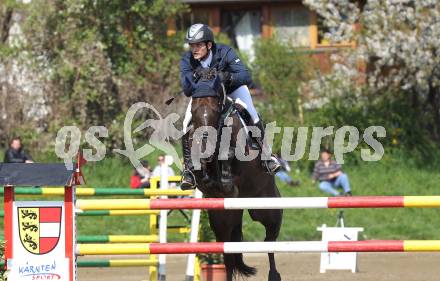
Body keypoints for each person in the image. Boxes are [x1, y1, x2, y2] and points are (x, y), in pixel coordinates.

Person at [179, 23, 281, 189]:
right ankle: (189, 170)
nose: (194, 49)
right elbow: (186, 88)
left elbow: (245, 75)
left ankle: (267, 156)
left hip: (232, 89)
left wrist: (225, 76)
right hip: (204, 95)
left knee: (252, 113)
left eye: (198, 45)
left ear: (209, 45)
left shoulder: (225, 52)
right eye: (192, 45)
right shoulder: (187, 59)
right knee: (185, 124)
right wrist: (195, 76)